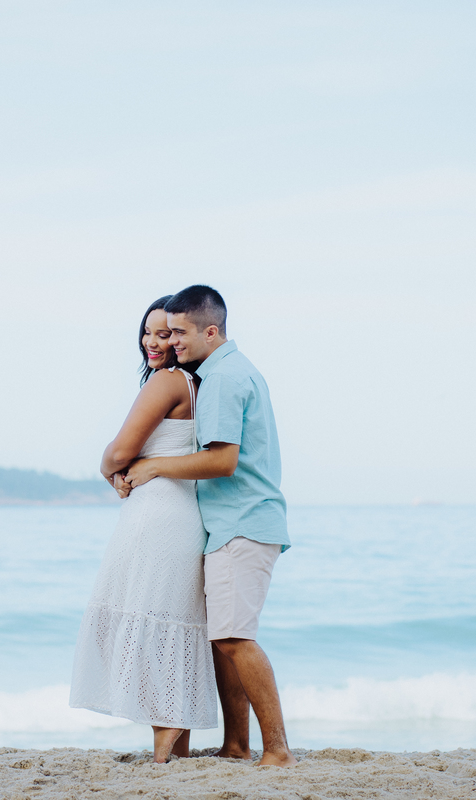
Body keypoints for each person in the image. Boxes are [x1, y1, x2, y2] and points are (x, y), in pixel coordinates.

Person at [124, 285, 296, 767]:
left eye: (179, 331)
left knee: (235, 638)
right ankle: (237, 745)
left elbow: (222, 460)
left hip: (242, 521)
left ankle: (278, 751)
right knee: (224, 641)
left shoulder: (222, 378)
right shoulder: (230, 371)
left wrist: (155, 466)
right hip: (233, 523)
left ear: (211, 331)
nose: (170, 340)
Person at [69, 296, 218, 763]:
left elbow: (120, 451)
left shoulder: (165, 382)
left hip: (155, 518)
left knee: (149, 622)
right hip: (181, 513)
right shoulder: (195, 384)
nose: (154, 342)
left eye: (166, 334)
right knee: (172, 624)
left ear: (181, 338)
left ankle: (164, 742)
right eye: (148, 332)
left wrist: (105, 466)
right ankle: (178, 748)